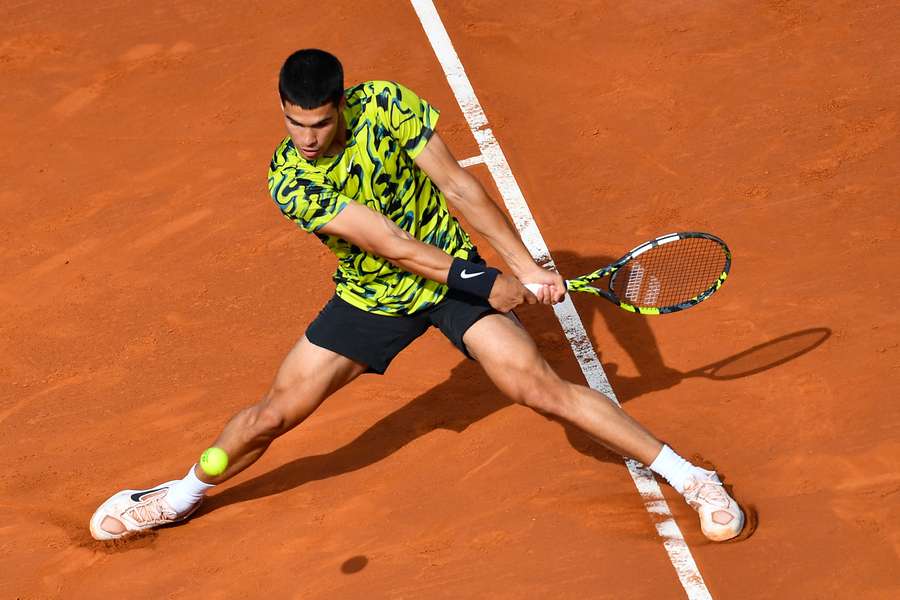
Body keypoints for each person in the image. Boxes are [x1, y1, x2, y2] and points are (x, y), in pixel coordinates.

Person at [90, 49, 744, 543]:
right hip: (372, 298)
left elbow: (459, 188)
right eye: (294, 123)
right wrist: (488, 281)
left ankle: (692, 476)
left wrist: (523, 264)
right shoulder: (290, 179)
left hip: (450, 284)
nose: (307, 138)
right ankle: (179, 494)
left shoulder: (387, 107)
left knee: (536, 386)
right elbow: (390, 246)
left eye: (318, 123)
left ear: (341, 105)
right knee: (272, 416)